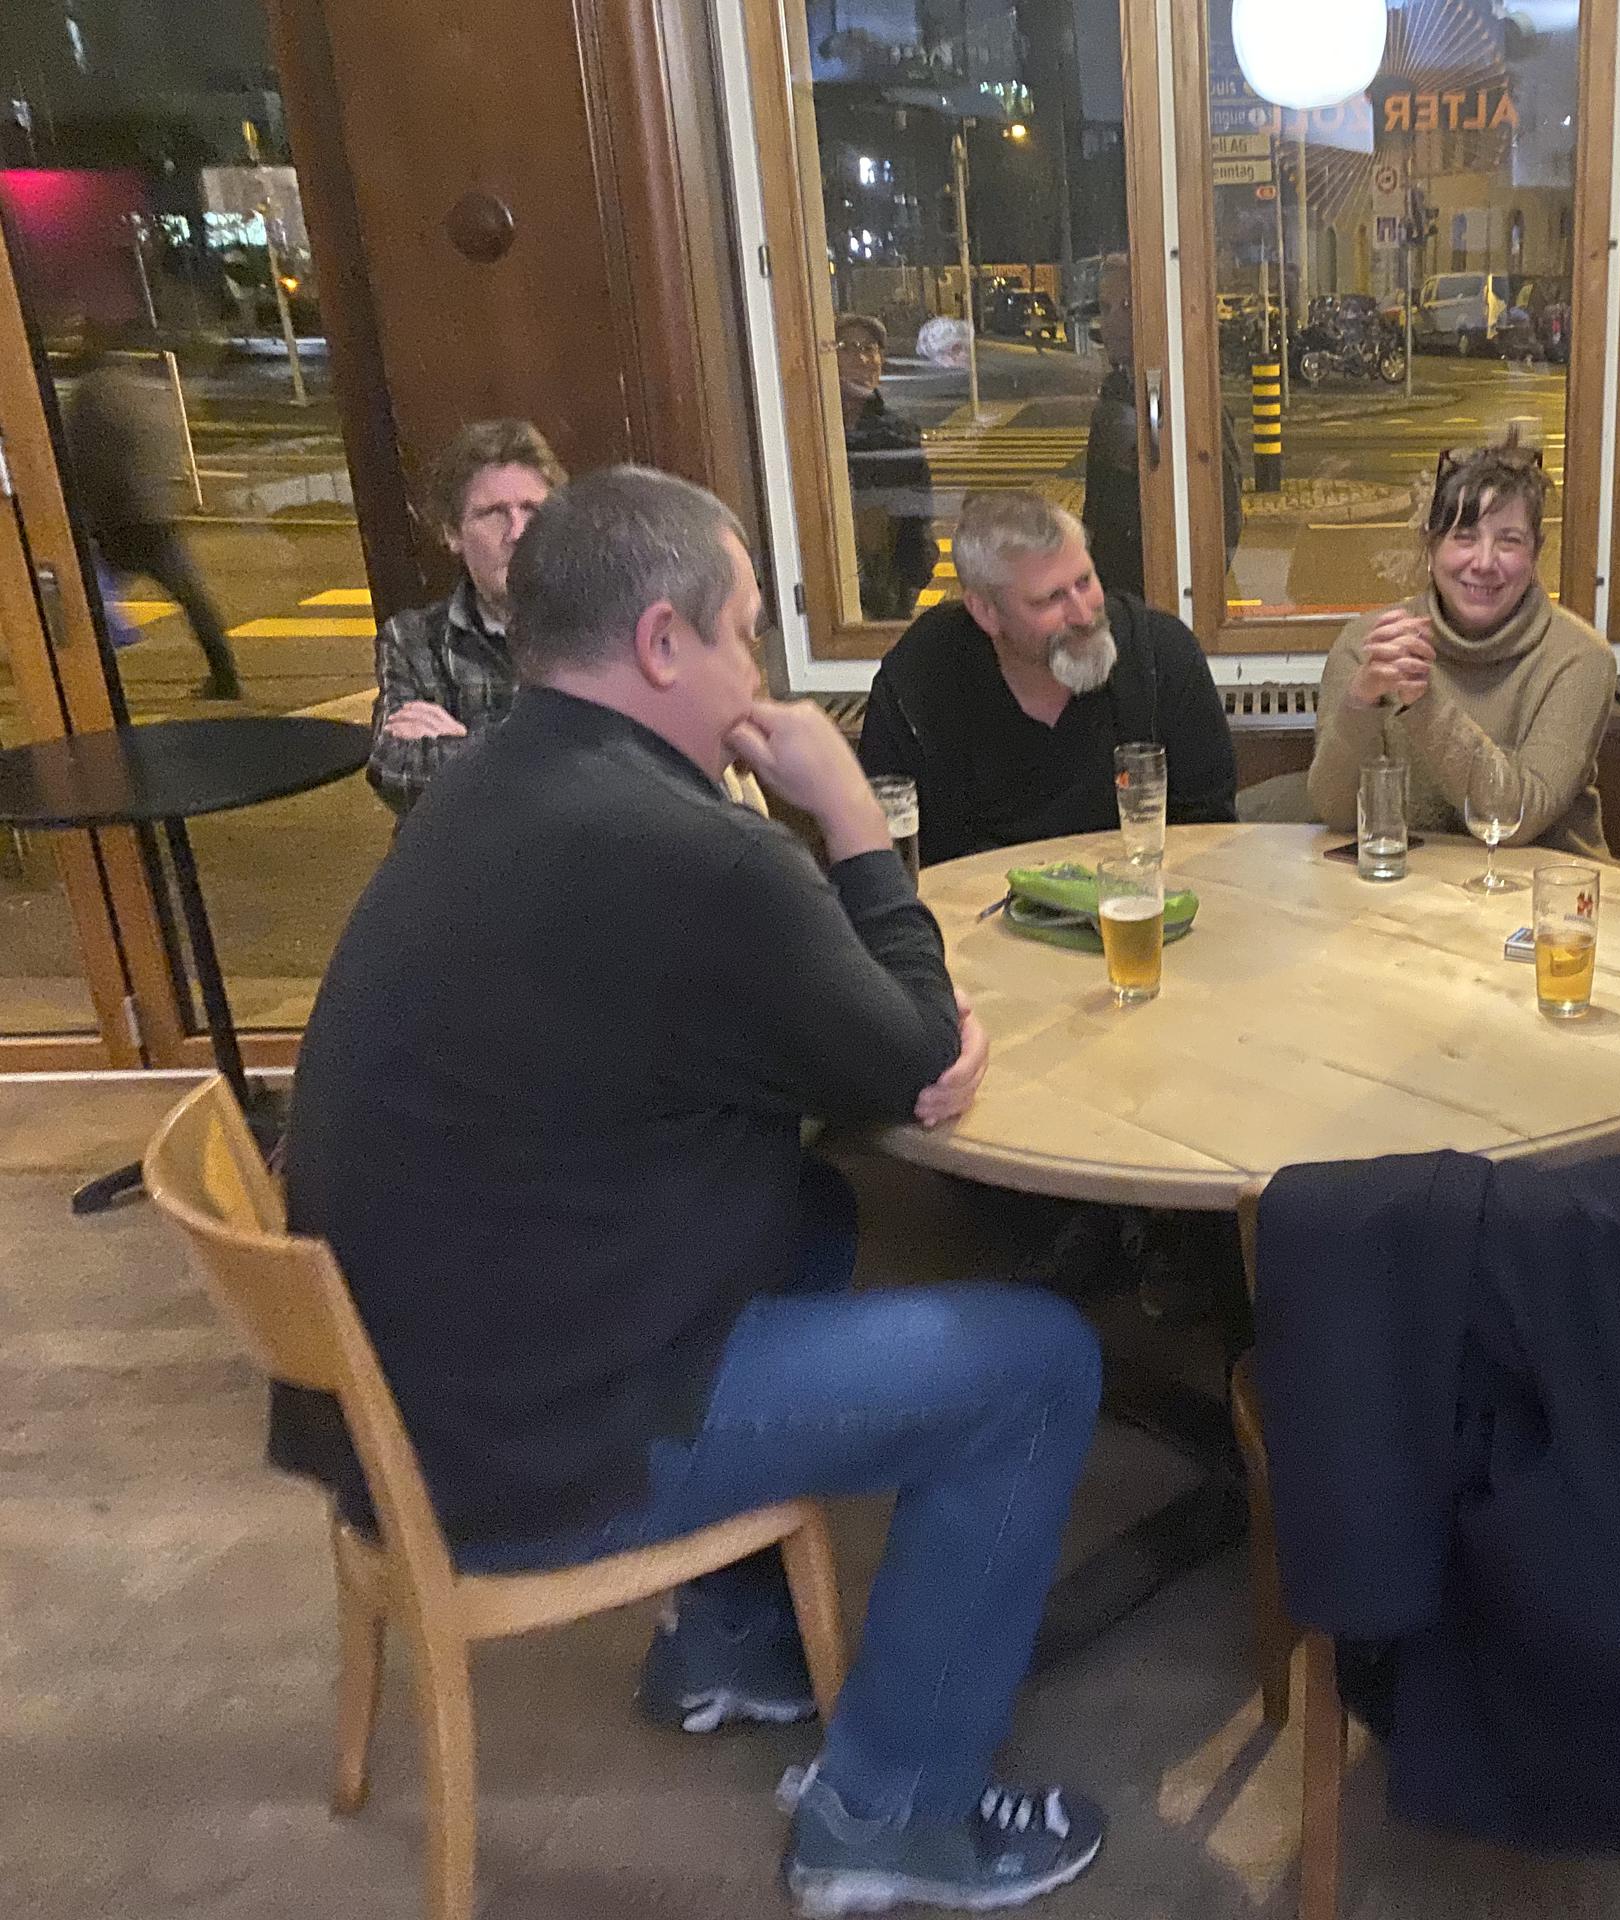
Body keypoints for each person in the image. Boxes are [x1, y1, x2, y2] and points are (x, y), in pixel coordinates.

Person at [278, 466, 1107, 1913]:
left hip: (411, 1384)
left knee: (816, 1214)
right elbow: (916, 1055)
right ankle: (887, 1821)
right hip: (526, 1437)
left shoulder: (489, 784)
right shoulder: (691, 851)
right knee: (1034, 1368)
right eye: (746, 637)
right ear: (663, 643)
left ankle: (725, 1646)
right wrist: (849, 816)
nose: (759, 678)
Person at [859, 489, 1236, 867]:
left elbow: (1209, 834)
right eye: (1051, 599)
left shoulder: (1160, 656)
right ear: (986, 612)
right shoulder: (920, 682)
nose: (1084, 615)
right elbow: (880, 855)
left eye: (1085, 581)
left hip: (1138, 894)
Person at [1306, 436, 1615, 857]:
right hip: (1413, 884)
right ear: (1431, 547)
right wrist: (1360, 702)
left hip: (1546, 885)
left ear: (1535, 553)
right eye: (1464, 537)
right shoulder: (1371, 647)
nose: (1484, 563)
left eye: (1509, 541)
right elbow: (1338, 814)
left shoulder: (1579, 657)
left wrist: (1424, 703)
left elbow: (1515, 818)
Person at [364, 420, 566, 814]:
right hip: (462, 850)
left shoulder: (598, 627)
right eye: (493, 513)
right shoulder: (413, 639)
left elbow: (619, 771)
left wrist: (467, 744)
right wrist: (541, 759)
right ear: (452, 533)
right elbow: (394, 771)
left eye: (532, 509)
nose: (518, 531)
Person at [59, 329, 242, 699]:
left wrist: (82, 514)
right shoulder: (145, 393)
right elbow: (165, 445)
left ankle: (84, 681)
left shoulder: (87, 397)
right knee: (194, 599)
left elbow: (77, 459)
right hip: (156, 516)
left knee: (83, 601)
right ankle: (226, 677)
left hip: (112, 521)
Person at [1079, 252, 1242, 598]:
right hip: (1115, 600)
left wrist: (1191, 590)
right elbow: (1096, 514)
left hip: (1164, 597)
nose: (1112, 322)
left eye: (1127, 306)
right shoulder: (1112, 401)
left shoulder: (1191, 399)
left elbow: (1225, 517)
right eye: (1106, 308)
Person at [838, 314, 937, 621]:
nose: (862, 359)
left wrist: (909, 585)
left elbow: (918, 516)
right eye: (847, 348)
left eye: (870, 348)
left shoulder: (899, 433)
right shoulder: (810, 431)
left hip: (887, 593)